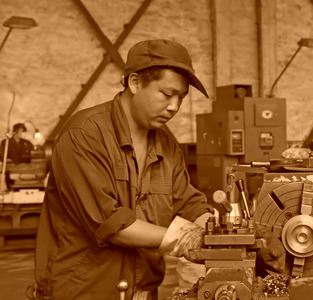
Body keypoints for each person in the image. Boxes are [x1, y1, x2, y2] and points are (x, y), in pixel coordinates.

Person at [34, 39, 285, 300]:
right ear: (134, 83)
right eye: (166, 94)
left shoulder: (166, 143)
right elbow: (111, 223)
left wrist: (230, 235)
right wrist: (188, 239)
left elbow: (186, 203)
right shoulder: (84, 135)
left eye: (181, 97)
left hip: (142, 291)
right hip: (84, 290)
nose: (174, 107)